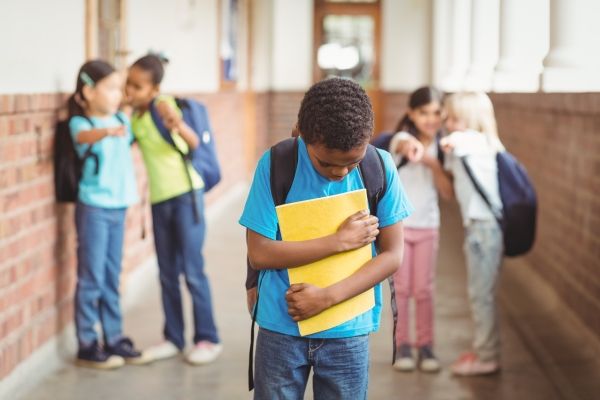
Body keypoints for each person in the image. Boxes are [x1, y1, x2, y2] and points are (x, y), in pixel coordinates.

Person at [239, 77, 412, 399]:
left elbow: (392, 255)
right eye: (327, 162)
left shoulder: (380, 167)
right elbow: (260, 252)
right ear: (302, 135)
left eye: (352, 162)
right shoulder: (277, 164)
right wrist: (338, 242)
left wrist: (327, 297)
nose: (340, 173)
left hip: (348, 329)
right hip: (282, 324)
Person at [125, 54, 222, 365]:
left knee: (192, 271)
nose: (130, 91)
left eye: (137, 86)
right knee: (167, 273)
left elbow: (194, 144)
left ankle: (207, 338)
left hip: (185, 196)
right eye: (127, 83)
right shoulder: (136, 116)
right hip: (159, 201)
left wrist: (177, 124)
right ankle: (174, 338)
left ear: (154, 88)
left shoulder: (162, 105)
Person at [68, 60, 148, 369]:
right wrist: (106, 131)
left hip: (118, 208)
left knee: (112, 276)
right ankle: (88, 342)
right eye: (111, 88)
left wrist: (121, 118)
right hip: (93, 208)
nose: (118, 94)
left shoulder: (121, 119)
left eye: (120, 88)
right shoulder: (81, 124)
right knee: (92, 277)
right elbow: (83, 138)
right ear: (88, 91)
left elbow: (128, 121)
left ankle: (113, 337)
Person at [387, 86, 453, 373]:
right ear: (412, 114)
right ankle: (401, 344)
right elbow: (403, 145)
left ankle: (425, 346)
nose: (430, 119)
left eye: (436, 112)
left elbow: (448, 192)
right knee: (401, 289)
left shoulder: (445, 147)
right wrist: (414, 149)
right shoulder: (401, 138)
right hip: (399, 228)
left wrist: (433, 162)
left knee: (423, 289)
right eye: (423, 112)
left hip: (428, 226)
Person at [441, 92, 504, 376]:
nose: (449, 124)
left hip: (483, 228)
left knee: (481, 296)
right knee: (480, 293)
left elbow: (453, 142)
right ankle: (482, 348)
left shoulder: (473, 141)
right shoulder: (481, 144)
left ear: (470, 120)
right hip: (481, 228)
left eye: (454, 118)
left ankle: (487, 356)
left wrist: (450, 138)